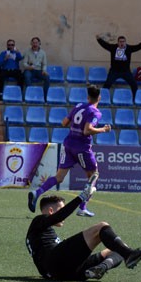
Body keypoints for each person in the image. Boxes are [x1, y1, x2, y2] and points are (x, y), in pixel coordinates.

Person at [26, 190, 141, 281]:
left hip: (64, 272)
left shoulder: (41, 232)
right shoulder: (38, 220)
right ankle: (130, 255)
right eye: (61, 208)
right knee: (101, 227)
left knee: (118, 248)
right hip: (55, 264)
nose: (64, 215)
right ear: (50, 211)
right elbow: (60, 216)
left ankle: (101, 268)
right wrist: (81, 197)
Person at [28, 85, 111, 218]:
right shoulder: (95, 112)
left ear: (88, 97)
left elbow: (64, 122)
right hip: (82, 147)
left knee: (59, 177)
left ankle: (37, 193)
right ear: (99, 97)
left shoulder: (78, 106)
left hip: (68, 144)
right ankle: (82, 208)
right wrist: (103, 129)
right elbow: (87, 130)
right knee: (93, 176)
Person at [96, 34, 141, 98]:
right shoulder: (113, 48)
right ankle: (102, 99)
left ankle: (135, 99)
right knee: (107, 84)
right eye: (120, 41)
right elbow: (105, 45)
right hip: (114, 71)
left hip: (126, 71)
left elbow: (137, 47)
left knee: (134, 85)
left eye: (123, 41)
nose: (122, 43)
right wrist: (99, 39)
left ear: (125, 42)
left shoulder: (129, 48)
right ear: (118, 42)